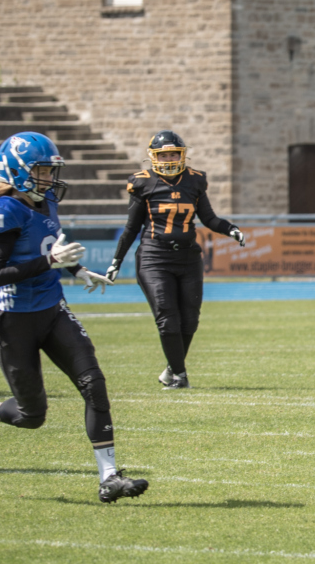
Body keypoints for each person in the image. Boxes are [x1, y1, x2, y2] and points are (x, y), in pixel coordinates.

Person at [0, 132, 148, 502]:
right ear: (17, 171)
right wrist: (51, 262)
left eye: (51, 171)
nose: (49, 179)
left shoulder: (46, 202)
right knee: (32, 415)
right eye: (42, 171)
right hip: (14, 318)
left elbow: (49, 248)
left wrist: (77, 270)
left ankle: (110, 476)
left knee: (93, 383)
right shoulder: (4, 211)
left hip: (52, 309)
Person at [106, 130, 247, 389]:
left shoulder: (194, 181)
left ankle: (172, 368)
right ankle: (180, 377)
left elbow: (209, 218)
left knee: (190, 319)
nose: (169, 158)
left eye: (173, 153)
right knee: (167, 317)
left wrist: (230, 229)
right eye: (163, 154)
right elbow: (131, 228)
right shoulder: (143, 183)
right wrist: (116, 261)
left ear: (182, 155)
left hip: (188, 257)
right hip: (154, 257)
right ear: (153, 157)